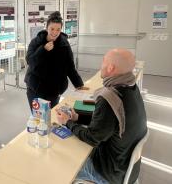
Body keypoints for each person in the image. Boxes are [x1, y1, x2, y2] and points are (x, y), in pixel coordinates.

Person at [56, 48, 147, 184]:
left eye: (103, 61)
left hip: (108, 173)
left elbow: (92, 138)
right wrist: (78, 118)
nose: (101, 65)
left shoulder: (109, 98)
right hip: (126, 167)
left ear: (110, 67)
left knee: (62, 162)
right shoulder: (131, 88)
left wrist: (68, 122)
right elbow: (108, 123)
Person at [25, 11, 87, 110]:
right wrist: (43, 49)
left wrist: (78, 84)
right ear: (46, 27)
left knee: (52, 116)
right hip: (36, 88)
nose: (55, 32)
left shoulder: (64, 44)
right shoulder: (36, 42)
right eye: (52, 29)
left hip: (55, 89)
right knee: (39, 119)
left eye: (58, 29)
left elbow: (70, 66)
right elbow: (30, 61)